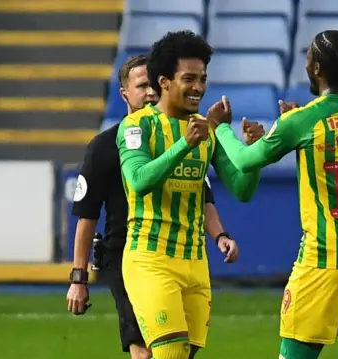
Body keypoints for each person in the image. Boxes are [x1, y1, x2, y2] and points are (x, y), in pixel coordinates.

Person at [209, 30, 338, 359]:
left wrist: (221, 127)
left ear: (318, 69)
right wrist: (295, 121)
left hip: (326, 256)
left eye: (309, 61)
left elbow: (245, 160)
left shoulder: (303, 120)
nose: (306, 67)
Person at [66, 54, 261, 359]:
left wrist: (221, 234)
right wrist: (79, 276)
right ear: (125, 94)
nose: (149, 93)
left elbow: (210, 193)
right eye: (141, 85)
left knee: (180, 352)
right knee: (148, 351)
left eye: (151, 85)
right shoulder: (108, 144)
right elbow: (89, 213)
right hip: (128, 253)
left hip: (190, 256)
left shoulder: (196, 133)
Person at [116, 31, 263, 359]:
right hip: (150, 260)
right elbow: (139, 181)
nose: (199, 87)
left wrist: (255, 157)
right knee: (170, 353)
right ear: (164, 82)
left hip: (195, 261)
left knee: (183, 355)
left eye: (203, 78)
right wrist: (185, 145)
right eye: (189, 78)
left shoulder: (205, 130)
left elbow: (241, 189)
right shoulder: (138, 127)